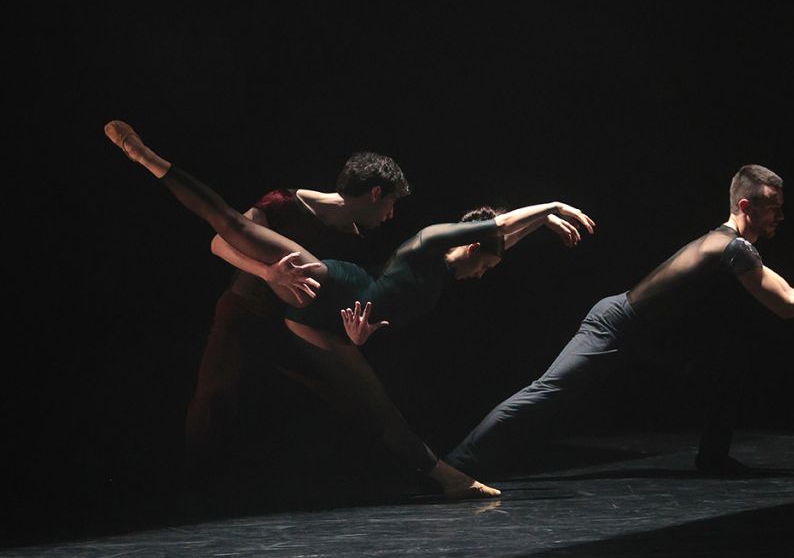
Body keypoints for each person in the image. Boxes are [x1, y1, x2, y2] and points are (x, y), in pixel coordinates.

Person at [105, 120, 594, 498]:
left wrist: (541, 224)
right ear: (469, 248)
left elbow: (499, 238)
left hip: (324, 323)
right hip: (328, 288)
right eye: (484, 266)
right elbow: (497, 229)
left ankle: (442, 478)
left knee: (375, 406)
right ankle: (148, 158)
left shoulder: (444, 269)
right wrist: (552, 207)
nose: (482, 275)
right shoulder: (429, 242)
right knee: (232, 227)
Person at [445, 164, 794, 477]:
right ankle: (457, 464)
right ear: (746, 207)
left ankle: (713, 457)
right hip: (615, 326)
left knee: (728, 365)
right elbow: (786, 302)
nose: (780, 216)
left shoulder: (729, 245)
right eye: (773, 207)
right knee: (546, 392)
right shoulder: (731, 247)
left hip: (651, 338)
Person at [185, 149, 406, 484]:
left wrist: (352, 333)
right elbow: (220, 242)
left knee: (348, 399)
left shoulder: (355, 240)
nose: (391, 215)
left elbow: (334, 297)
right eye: (391, 203)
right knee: (214, 398)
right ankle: (194, 485)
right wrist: (266, 272)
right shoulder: (284, 203)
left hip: (295, 328)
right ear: (375, 193)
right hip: (245, 312)